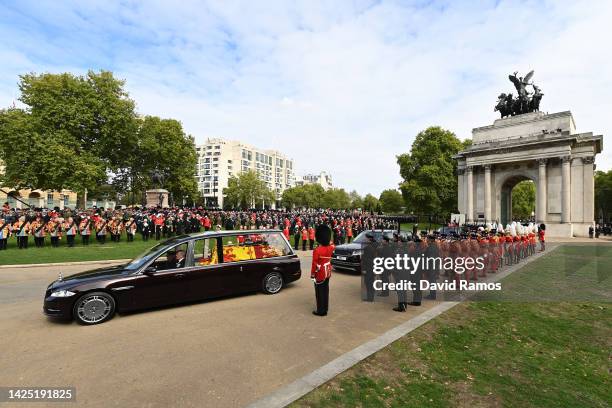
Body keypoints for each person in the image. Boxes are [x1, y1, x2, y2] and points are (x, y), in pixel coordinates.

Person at [311, 225, 334, 317]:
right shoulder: (331, 247)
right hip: (327, 271)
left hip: (320, 272)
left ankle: (321, 311)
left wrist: (313, 274)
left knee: (319, 292)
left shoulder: (317, 250)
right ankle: (325, 308)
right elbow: (332, 243)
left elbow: (314, 264)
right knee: (325, 290)